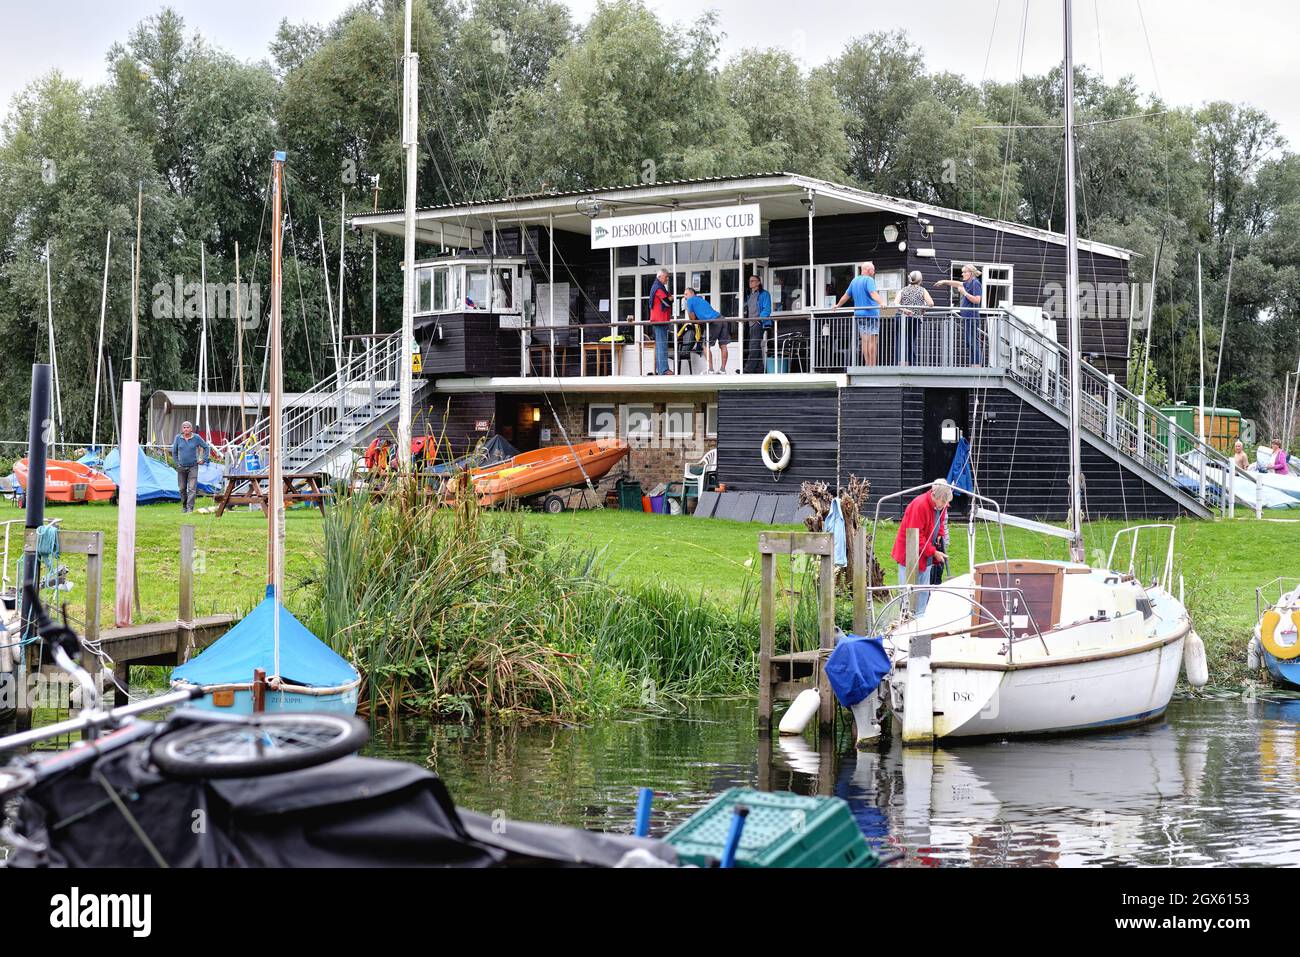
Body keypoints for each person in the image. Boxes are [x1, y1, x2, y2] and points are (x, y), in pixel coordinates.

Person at [890, 479, 952, 616]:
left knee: (924, 589)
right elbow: (916, 537)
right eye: (945, 501)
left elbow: (940, 521)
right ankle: (905, 619)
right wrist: (934, 552)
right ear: (937, 497)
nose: (947, 505)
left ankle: (920, 617)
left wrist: (940, 535)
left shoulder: (941, 506)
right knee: (908, 590)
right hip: (909, 555)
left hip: (927, 554)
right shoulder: (919, 505)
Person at [836, 262, 885, 366]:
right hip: (871, 314)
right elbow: (873, 293)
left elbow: (846, 295)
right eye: (873, 269)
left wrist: (837, 305)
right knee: (872, 341)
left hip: (859, 314)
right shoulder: (869, 280)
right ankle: (872, 366)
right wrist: (882, 302)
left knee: (864, 341)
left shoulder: (855, 281)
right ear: (868, 270)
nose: (874, 271)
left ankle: (867, 365)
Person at [935, 264, 983, 365]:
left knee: (973, 341)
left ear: (970, 273)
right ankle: (974, 364)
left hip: (972, 316)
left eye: (964, 272)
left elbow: (977, 300)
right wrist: (944, 281)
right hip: (966, 317)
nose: (962, 274)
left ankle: (977, 365)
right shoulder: (968, 283)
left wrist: (964, 293)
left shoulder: (975, 283)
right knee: (969, 342)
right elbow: (957, 284)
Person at [681, 286, 728, 373]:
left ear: (692, 294)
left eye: (686, 294)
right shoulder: (701, 300)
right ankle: (723, 369)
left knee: (705, 345)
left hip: (712, 322)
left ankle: (710, 369)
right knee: (723, 345)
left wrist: (687, 308)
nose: (685, 297)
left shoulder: (690, 300)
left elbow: (692, 318)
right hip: (721, 318)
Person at [170, 420, 211, 513]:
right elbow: (174, 452)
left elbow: (206, 447)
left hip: (193, 466)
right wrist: (177, 463)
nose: (186, 429)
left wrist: (204, 459)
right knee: (182, 488)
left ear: (191, 429)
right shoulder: (178, 438)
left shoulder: (196, 438)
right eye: (184, 427)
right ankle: (184, 506)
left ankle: (190, 508)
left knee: (192, 488)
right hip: (181, 467)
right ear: (182, 429)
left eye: (188, 427)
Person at [895, 271, 934, 366]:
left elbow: (895, 303)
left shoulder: (903, 290)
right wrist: (922, 307)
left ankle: (901, 364)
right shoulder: (922, 290)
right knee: (911, 341)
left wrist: (904, 310)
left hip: (901, 317)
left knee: (901, 340)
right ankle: (911, 363)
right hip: (914, 318)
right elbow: (931, 304)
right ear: (920, 280)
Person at [742, 274, 773, 374]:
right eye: (750, 281)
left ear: (758, 282)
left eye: (753, 281)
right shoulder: (750, 295)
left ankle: (748, 370)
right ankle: (759, 369)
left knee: (753, 346)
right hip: (750, 323)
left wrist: (759, 320)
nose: (750, 282)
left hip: (759, 322)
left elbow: (767, 309)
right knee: (755, 346)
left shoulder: (764, 294)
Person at [648, 268, 673, 375]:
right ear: (660, 277)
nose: (667, 279)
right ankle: (664, 370)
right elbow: (667, 302)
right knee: (662, 344)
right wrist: (670, 298)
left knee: (660, 344)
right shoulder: (658, 288)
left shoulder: (659, 287)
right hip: (660, 320)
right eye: (666, 276)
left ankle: (661, 369)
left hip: (660, 320)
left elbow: (668, 298)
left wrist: (669, 297)